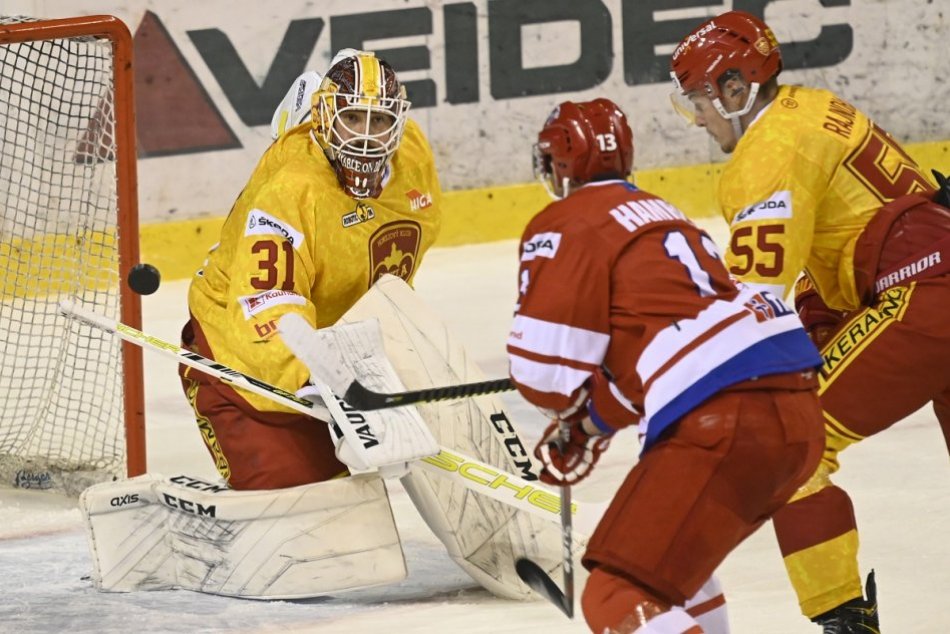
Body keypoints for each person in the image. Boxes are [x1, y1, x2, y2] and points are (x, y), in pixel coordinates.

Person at [670, 10, 950, 632]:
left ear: (737, 89)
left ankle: (846, 621)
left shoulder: (765, 153)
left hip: (926, 299)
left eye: (700, 101)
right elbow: (838, 254)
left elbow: (755, 300)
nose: (698, 119)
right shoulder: (814, 107)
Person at [507, 97, 826, 634]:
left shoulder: (565, 221)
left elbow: (544, 372)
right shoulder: (666, 215)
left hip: (724, 419)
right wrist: (588, 427)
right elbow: (660, 351)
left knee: (617, 594)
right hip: (794, 415)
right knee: (676, 579)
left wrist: (571, 405)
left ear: (559, 162)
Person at [179, 49, 442, 490]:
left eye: (379, 122)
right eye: (353, 118)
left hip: (333, 348)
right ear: (323, 118)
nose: (366, 137)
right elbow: (267, 304)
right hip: (240, 362)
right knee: (306, 501)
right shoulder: (290, 189)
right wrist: (322, 380)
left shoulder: (411, 154)